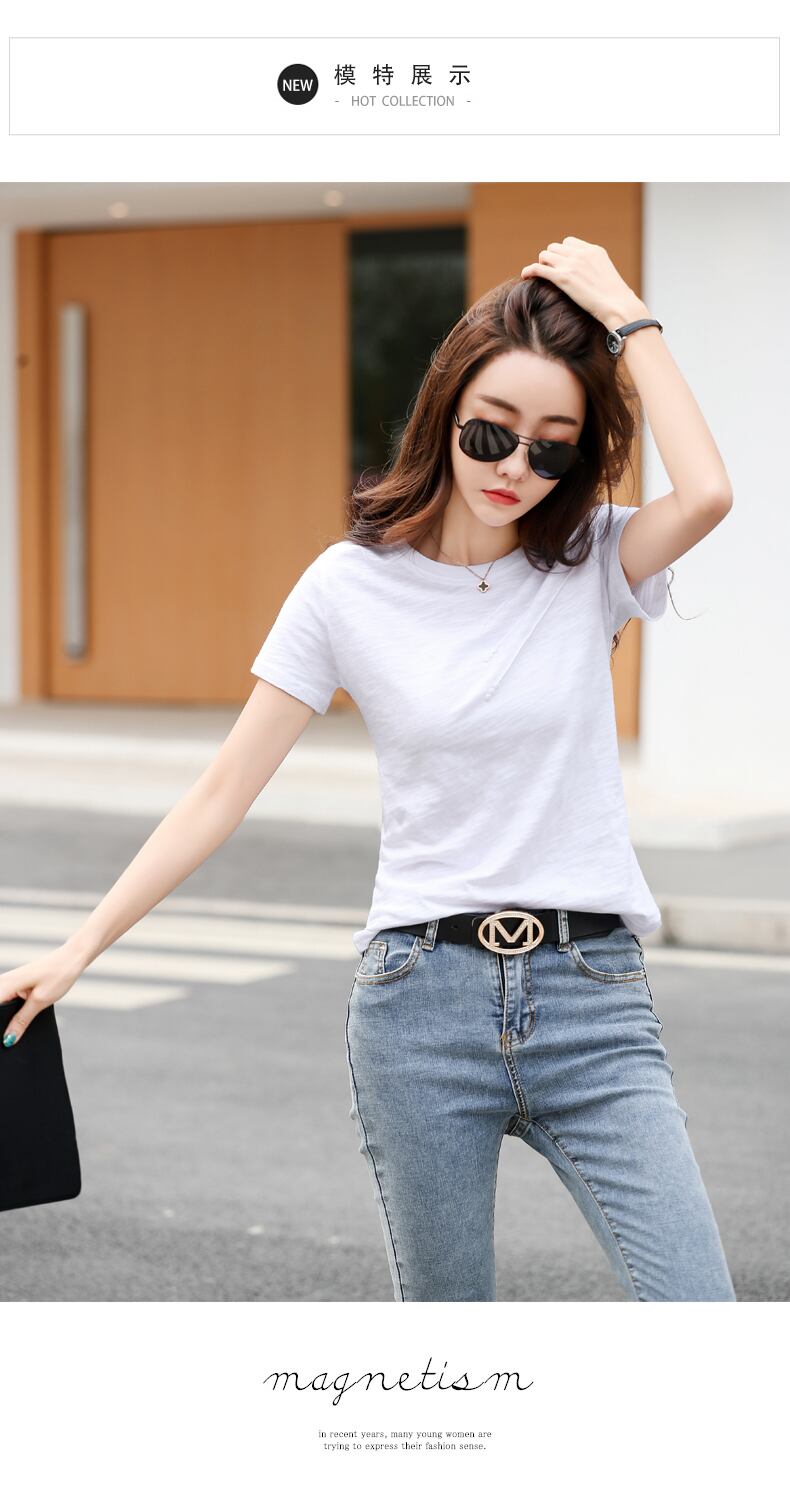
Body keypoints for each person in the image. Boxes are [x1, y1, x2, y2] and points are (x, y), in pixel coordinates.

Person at [0, 236, 736, 1303]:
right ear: (445, 411)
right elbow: (220, 792)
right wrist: (80, 947)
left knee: (700, 1310)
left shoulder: (590, 561)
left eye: (551, 450)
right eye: (491, 432)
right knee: (445, 1345)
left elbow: (707, 494)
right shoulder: (346, 589)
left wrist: (628, 314)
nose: (513, 469)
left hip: (594, 1000)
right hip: (419, 1006)